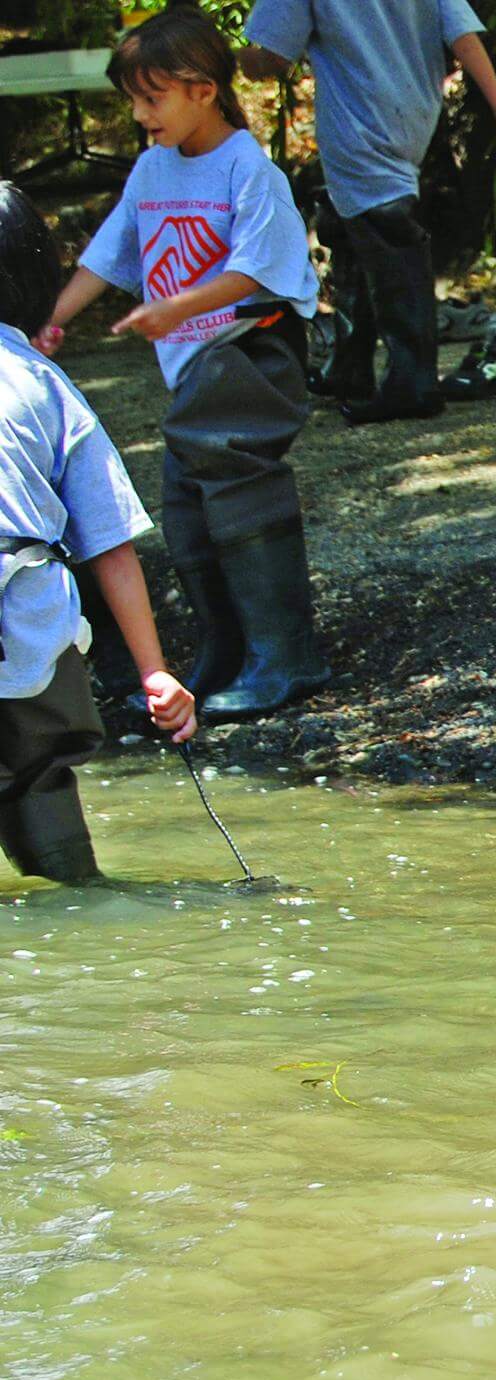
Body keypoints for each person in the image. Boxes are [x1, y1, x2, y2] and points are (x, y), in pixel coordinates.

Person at [39, 7, 327, 726]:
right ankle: (223, 655)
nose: (141, 115)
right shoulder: (150, 169)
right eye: (134, 100)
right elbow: (108, 255)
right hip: (193, 364)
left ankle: (285, 657)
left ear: (203, 88)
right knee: (183, 504)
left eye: (152, 97)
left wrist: (177, 307)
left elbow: (261, 269)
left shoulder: (247, 169)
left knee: (233, 482)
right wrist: (52, 317)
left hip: (251, 349)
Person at [0, 181, 198, 883]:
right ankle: (76, 886)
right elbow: (109, 541)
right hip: (32, 633)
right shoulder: (47, 387)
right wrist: (155, 671)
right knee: (46, 789)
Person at [240, 0, 496, 426]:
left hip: (357, 120)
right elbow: (463, 36)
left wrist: (227, 56)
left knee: (388, 239)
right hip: (411, 117)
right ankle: (350, 366)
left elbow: (270, 57)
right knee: (348, 228)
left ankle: (412, 383)